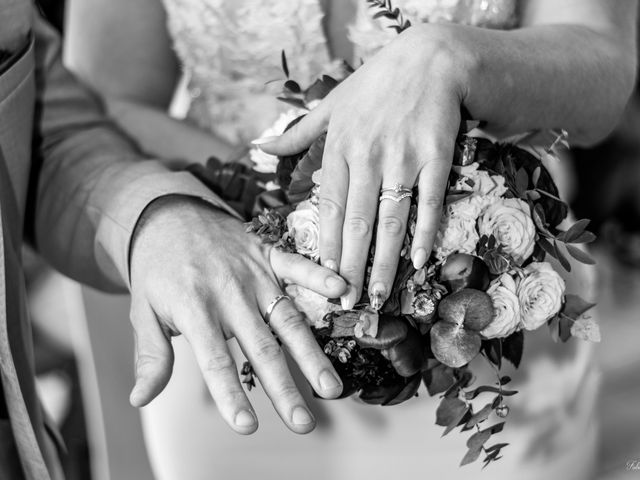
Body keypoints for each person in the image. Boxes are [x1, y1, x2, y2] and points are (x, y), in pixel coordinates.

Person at [65, 0, 638, 479]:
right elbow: (104, 101)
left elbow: (604, 68)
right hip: (237, 320)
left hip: (495, 335)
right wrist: (278, 184)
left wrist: (447, 58)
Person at [0, 2, 351, 479]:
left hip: (469, 321)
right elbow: (106, 97)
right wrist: (270, 184)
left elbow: (53, 128)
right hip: (227, 329)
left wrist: (158, 212)